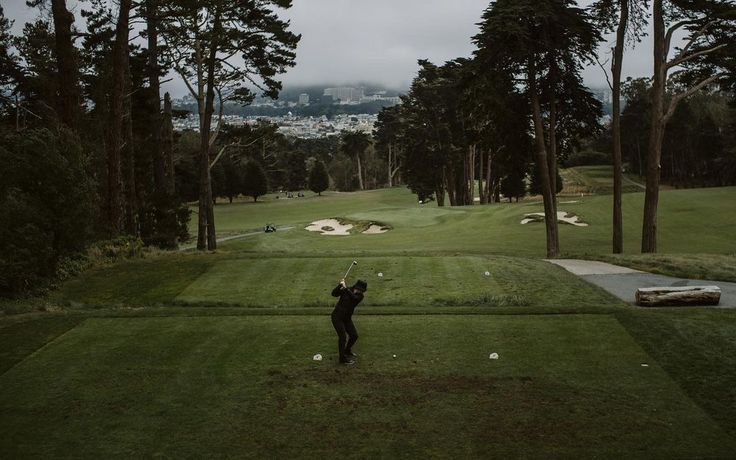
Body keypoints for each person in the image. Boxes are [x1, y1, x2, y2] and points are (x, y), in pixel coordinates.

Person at [331, 278, 368, 365]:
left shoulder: (360, 296)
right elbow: (334, 294)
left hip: (347, 319)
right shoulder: (346, 290)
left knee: (354, 336)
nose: (359, 291)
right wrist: (339, 286)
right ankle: (342, 359)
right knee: (343, 337)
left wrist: (345, 288)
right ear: (355, 286)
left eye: (361, 290)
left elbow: (354, 298)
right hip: (337, 317)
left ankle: (347, 350)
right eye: (358, 289)